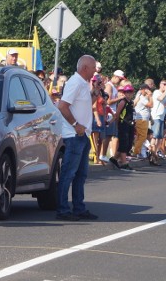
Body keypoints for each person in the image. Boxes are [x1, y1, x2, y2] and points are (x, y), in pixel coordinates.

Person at [55, 55, 99, 221]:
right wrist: (75, 124)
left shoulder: (82, 83)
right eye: (93, 67)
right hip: (75, 135)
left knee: (80, 174)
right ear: (85, 68)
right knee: (68, 173)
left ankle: (78, 207)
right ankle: (63, 209)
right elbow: (62, 106)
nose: (95, 71)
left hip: (82, 134)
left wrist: (95, 93)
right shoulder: (75, 82)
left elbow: (83, 105)